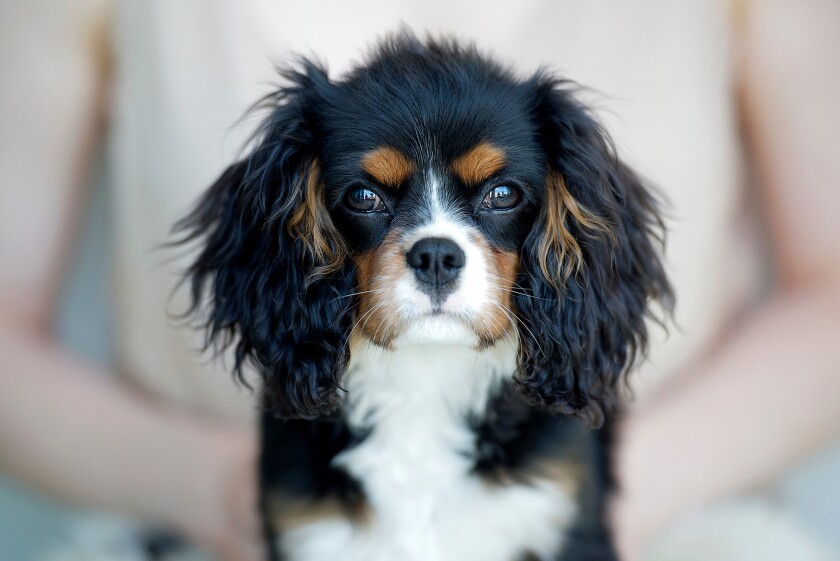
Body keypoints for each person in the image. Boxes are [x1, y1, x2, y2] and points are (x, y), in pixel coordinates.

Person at [1, 1, 838, 560]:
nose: (436, 244)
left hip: (676, 523)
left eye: (500, 195)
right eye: (367, 195)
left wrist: (605, 484)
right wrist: (225, 492)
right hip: (204, 530)